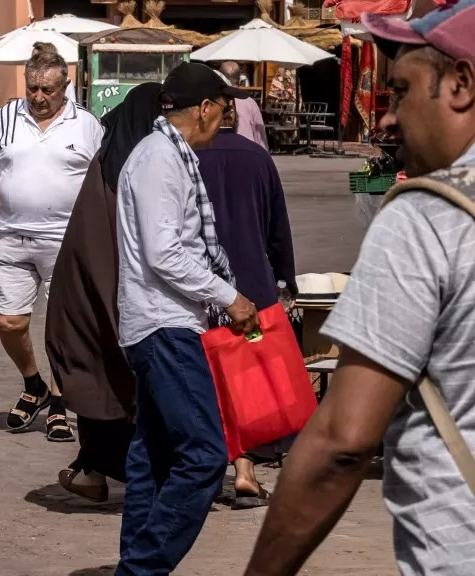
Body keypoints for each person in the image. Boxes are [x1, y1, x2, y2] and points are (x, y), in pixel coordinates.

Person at [245, 0, 475, 576]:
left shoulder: (428, 217)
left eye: (399, 92)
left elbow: (343, 441)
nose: (387, 119)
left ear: (461, 84)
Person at [113, 62, 257, 574]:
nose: (225, 118)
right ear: (203, 108)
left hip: (168, 321)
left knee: (154, 456)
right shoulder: (159, 159)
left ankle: (137, 561)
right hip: (164, 323)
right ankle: (142, 569)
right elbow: (165, 253)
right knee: (203, 454)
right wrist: (230, 296)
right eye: (223, 108)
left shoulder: (171, 157)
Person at [0, 41, 104, 443]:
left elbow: (104, 184)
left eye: (49, 90)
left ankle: (60, 402)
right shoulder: (7, 117)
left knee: (63, 327)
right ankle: (35, 385)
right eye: (33, 89)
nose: (40, 98)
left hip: (67, 241)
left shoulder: (86, 124)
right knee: (9, 322)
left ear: (67, 86)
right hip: (12, 235)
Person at [45, 82, 164, 504]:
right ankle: (135, 476)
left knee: (101, 381)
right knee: (128, 387)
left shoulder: (107, 160)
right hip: (122, 301)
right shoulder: (145, 167)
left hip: (87, 298)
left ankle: (92, 470)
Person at [197, 95, 297, 509]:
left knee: (208, 379)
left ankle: (210, 469)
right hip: (253, 284)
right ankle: (245, 470)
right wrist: (286, 280)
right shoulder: (258, 157)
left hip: (199, 284)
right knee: (247, 379)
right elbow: (278, 228)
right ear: (234, 114)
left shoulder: (188, 158)